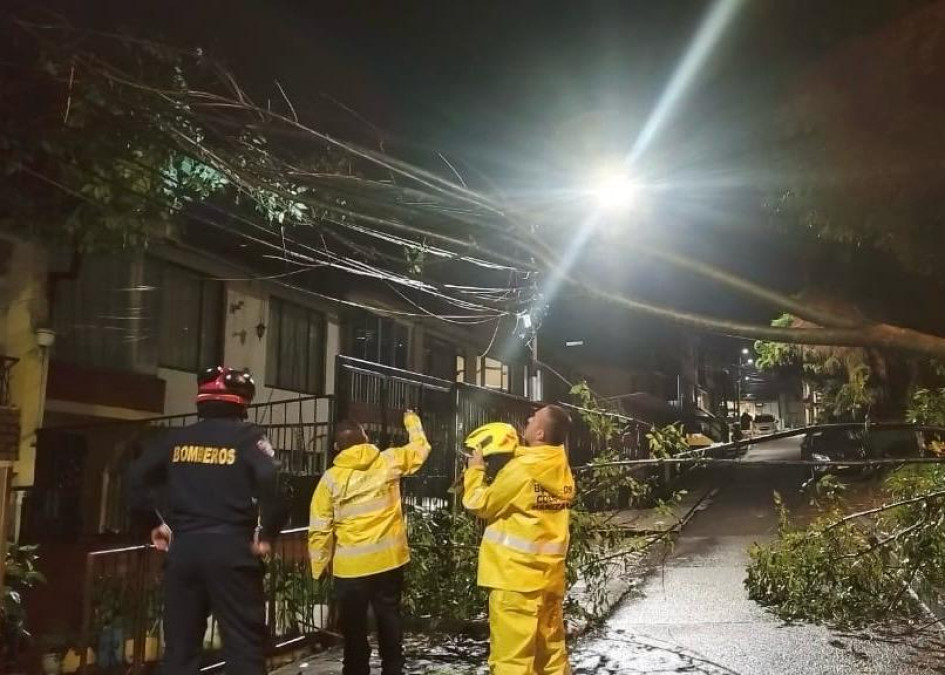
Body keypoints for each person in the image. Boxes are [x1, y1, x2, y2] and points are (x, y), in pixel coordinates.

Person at [127, 366, 285, 675]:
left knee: (180, 650)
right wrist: (267, 533)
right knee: (243, 648)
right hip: (232, 552)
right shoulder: (248, 438)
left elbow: (135, 477)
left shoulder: (176, 439)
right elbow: (274, 485)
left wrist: (152, 522)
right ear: (242, 402)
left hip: (184, 551)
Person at [308, 410, 431, 675]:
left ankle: (356, 670)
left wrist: (319, 566)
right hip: (389, 562)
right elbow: (420, 448)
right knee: (389, 620)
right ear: (366, 439)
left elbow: (320, 528)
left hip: (350, 569)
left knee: (353, 628)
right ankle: (393, 669)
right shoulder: (388, 461)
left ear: (336, 447)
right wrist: (412, 421)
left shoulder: (330, 480)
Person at [463, 405, 576, 675]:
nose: (527, 419)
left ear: (539, 432)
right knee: (551, 657)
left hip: (514, 579)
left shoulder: (522, 470)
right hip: (549, 579)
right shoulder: (559, 466)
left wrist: (475, 471)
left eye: (533, 418)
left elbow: (480, 503)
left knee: (512, 661)